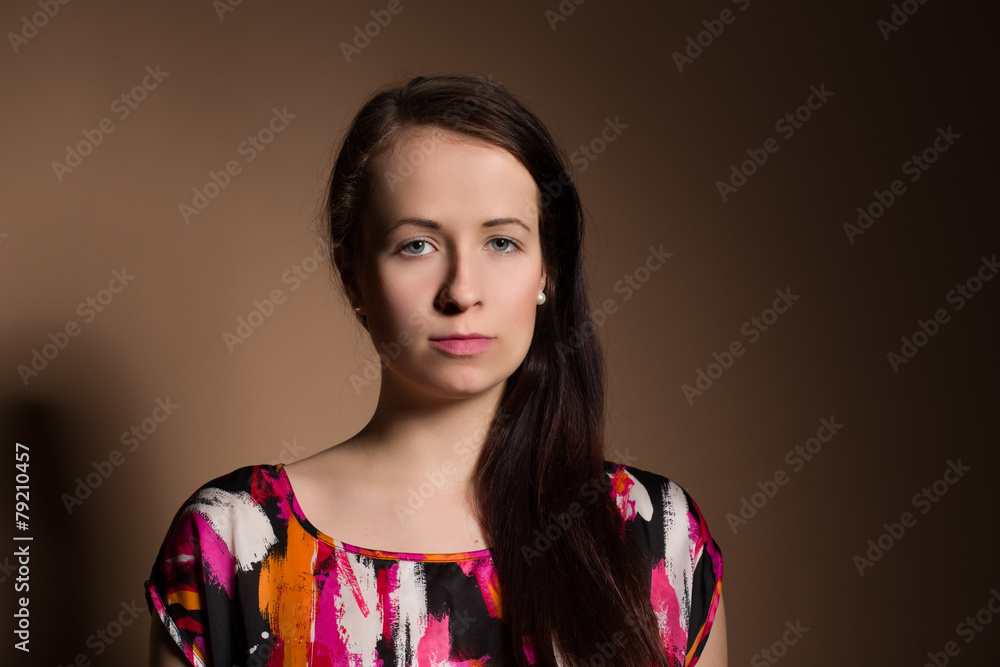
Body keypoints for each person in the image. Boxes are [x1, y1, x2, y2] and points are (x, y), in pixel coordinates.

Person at [146, 74, 726, 667]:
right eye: (417, 245)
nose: (462, 291)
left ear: (547, 270)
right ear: (353, 276)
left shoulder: (658, 537)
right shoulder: (234, 541)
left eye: (501, 242)